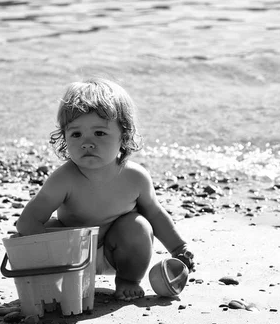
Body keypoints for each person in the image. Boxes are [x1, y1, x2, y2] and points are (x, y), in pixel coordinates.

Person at [16, 77, 195, 300]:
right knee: (44, 229)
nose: (87, 142)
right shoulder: (64, 178)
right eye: (76, 134)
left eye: (99, 133)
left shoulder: (135, 177)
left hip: (118, 252)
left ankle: (127, 280)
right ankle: (57, 284)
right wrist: (47, 252)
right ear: (64, 138)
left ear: (124, 136)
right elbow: (27, 221)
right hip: (72, 255)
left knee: (138, 225)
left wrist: (179, 248)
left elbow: (156, 214)